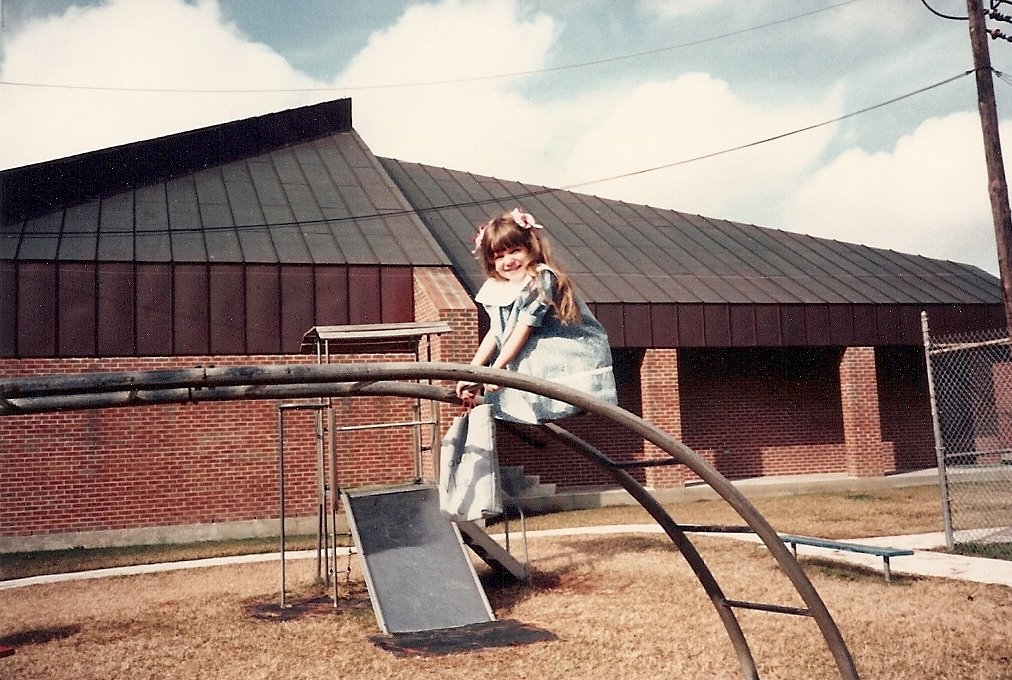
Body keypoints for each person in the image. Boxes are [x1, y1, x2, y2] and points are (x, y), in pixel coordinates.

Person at [455, 207, 618, 423]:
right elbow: (497, 331)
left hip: (561, 348)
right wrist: (472, 372)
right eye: (499, 256)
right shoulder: (498, 287)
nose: (508, 261)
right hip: (531, 352)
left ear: (530, 248)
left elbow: (524, 327)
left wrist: (496, 369)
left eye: (515, 251)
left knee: (560, 391)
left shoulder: (539, 278)